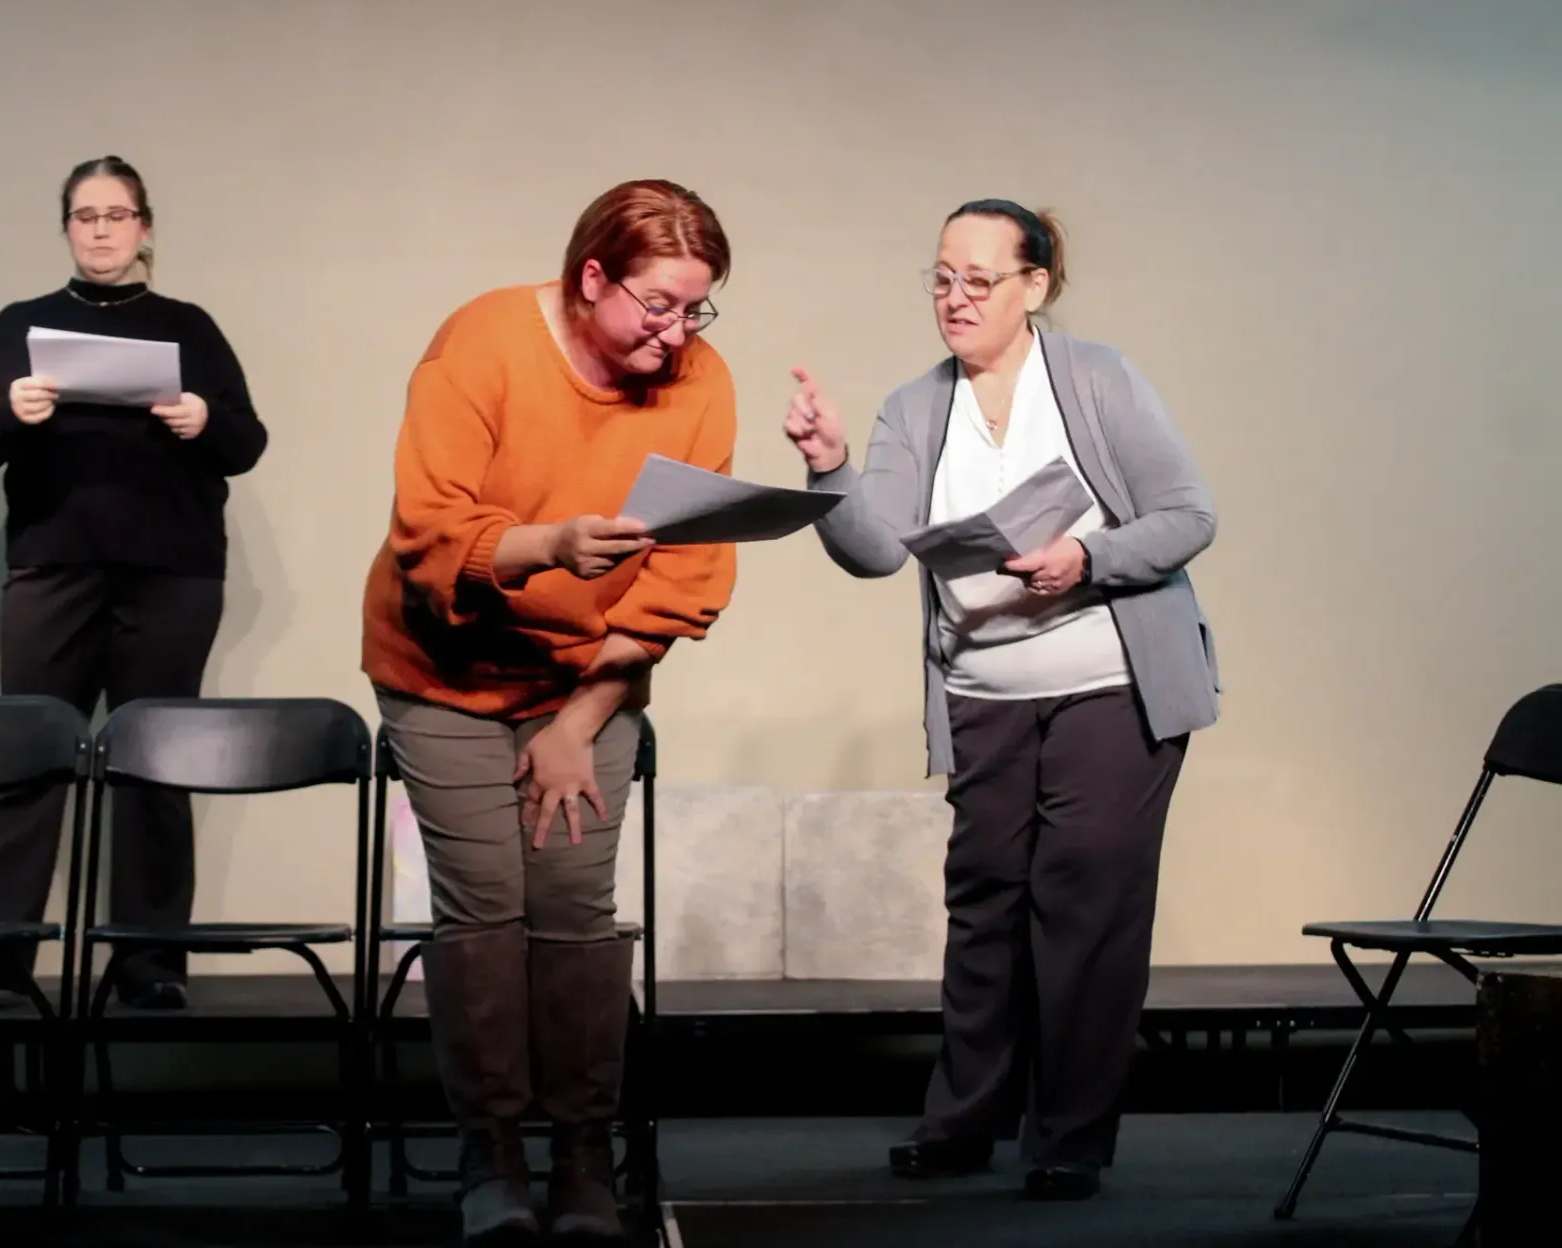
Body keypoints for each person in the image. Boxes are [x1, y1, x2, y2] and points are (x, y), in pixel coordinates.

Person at [783, 200, 1219, 1200]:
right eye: (941, 276)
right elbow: (874, 551)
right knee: (984, 904)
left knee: (1083, 905)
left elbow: (1188, 515)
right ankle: (964, 1117)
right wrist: (828, 468)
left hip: (1112, 687)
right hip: (984, 695)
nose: (955, 297)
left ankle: (1068, 1133)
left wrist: (1088, 555)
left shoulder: (1097, 379)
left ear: (1035, 285)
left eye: (979, 279)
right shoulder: (914, 406)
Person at [363, 179, 738, 1243]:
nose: (675, 335)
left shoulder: (701, 382)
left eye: (696, 308)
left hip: (589, 674)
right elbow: (431, 528)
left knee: (572, 900)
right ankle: (491, 1155)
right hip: (443, 668)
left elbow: (687, 574)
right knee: (485, 903)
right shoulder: (480, 344)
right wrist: (550, 543)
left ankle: (581, 1153)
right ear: (590, 278)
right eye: (657, 306)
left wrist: (581, 721)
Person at [0, 156, 269, 1016]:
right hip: (54, 567)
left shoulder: (189, 326)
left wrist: (201, 420)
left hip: (172, 573)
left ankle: (150, 960)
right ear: (67, 228)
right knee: (26, 754)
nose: (102, 230)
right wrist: (14, 410)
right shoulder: (23, 323)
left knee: (154, 760)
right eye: (85, 216)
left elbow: (247, 440)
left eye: (117, 215)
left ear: (145, 227)